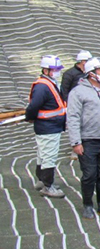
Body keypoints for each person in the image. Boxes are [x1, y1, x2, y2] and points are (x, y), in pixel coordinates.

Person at [66, 57, 100, 219]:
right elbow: (73, 117)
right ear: (91, 74)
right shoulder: (78, 92)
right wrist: (76, 142)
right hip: (87, 140)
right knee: (89, 175)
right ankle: (87, 204)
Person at [25, 54, 67, 198]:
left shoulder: (49, 83)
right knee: (49, 156)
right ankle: (48, 186)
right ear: (46, 70)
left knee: (42, 155)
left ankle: (42, 181)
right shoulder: (43, 86)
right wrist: (30, 118)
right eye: (55, 69)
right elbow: (33, 107)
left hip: (49, 126)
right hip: (48, 127)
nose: (58, 72)